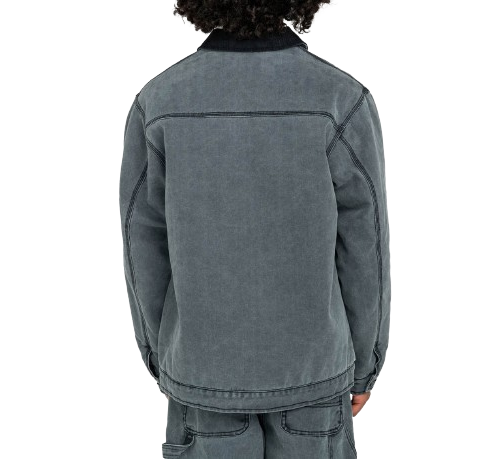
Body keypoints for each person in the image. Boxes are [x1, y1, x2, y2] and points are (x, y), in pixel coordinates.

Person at [119, 1, 391, 457]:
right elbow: (367, 247)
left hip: (203, 375)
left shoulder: (159, 102)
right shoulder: (340, 99)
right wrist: (366, 364)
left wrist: (163, 355)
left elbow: (141, 244)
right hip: (314, 376)